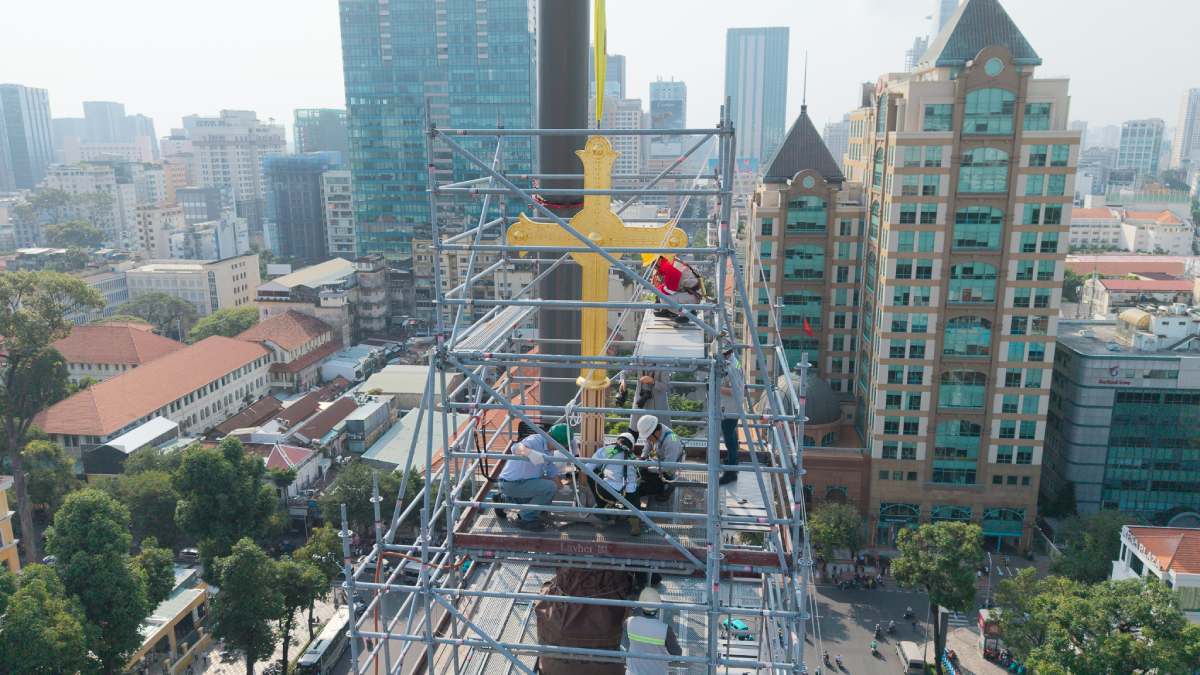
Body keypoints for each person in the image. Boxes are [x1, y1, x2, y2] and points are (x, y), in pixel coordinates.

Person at [497, 433, 561, 531]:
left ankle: (504, 499)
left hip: (519, 483)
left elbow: (552, 471)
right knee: (549, 488)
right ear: (554, 440)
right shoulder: (535, 440)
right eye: (560, 445)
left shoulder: (549, 450)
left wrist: (561, 486)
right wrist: (530, 453)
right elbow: (516, 448)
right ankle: (526, 519)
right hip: (512, 483)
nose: (559, 448)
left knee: (546, 495)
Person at [588, 433, 643, 533]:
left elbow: (588, 468)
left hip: (608, 490)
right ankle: (634, 517)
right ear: (632, 446)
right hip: (629, 495)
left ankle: (602, 507)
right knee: (634, 485)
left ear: (617, 440)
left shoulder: (606, 450)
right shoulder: (633, 456)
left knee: (593, 474)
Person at [623, 586, 682, 675]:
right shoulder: (665, 629)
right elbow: (676, 654)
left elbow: (625, 645)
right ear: (658, 607)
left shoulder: (629, 623)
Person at [635, 415, 684, 504]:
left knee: (649, 483)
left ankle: (668, 487)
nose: (647, 439)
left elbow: (668, 466)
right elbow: (648, 445)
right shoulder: (654, 433)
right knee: (641, 471)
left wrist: (648, 468)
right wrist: (642, 458)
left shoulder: (672, 441)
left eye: (648, 436)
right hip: (660, 460)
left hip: (670, 467)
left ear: (656, 432)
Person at [718, 346, 744, 486]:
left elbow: (734, 390)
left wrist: (716, 387)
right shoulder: (734, 362)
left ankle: (731, 472)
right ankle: (732, 461)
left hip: (731, 407)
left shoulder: (732, 367)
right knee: (731, 434)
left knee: (729, 437)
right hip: (733, 406)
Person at [649, 255, 702, 322]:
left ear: (659, 260)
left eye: (653, 263)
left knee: (663, 299)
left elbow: (669, 290)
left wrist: (658, 286)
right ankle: (670, 311)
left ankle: (686, 313)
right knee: (662, 295)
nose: (653, 266)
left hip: (691, 296)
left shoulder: (670, 268)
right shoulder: (671, 261)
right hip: (691, 293)